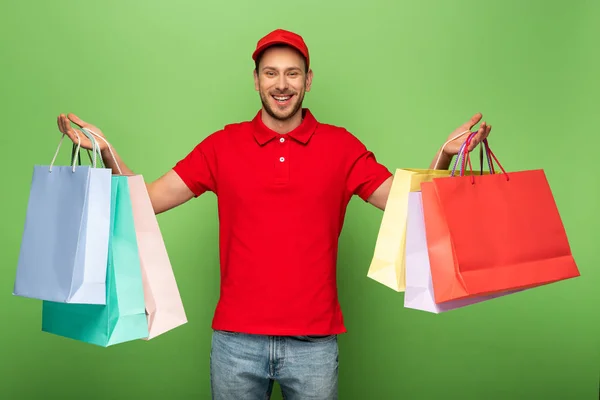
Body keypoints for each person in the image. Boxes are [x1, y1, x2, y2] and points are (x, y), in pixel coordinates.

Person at [56, 28, 491, 400]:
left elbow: (407, 207)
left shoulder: (341, 147)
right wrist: (105, 151)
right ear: (256, 80)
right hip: (235, 343)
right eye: (271, 73)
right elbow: (144, 203)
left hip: (315, 343)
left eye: (292, 73)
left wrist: (446, 157)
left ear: (308, 80)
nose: (281, 84)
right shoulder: (221, 146)